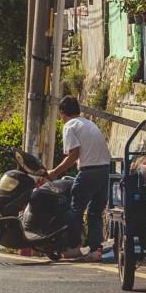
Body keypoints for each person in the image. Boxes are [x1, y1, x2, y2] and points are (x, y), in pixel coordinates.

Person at [40, 95, 114, 257]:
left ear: (62, 113)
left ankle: (73, 247)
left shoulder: (70, 126)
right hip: (105, 171)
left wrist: (54, 172)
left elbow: (73, 155)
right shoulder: (89, 124)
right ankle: (95, 250)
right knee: (95, 212)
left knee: (75, 209)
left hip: (89, 172)